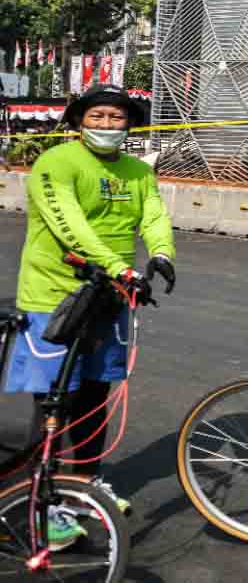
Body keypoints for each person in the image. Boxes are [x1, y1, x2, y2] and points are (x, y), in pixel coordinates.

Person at [4, 84, 176, 545]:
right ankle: (43, 499)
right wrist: (122, 267)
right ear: (79, 121)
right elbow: (69, 225)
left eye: (116, 118)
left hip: (111, 298)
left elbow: (154, 214)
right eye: (97, 116)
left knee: (97, 394)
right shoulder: (55, 164)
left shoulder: (138, 171)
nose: (106, 125)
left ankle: (85, 484)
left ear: (129, 124)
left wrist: (161, 253)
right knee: (55, 399)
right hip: (53, 297)